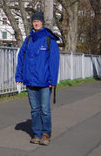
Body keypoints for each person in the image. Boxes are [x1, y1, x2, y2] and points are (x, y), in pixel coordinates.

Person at [15, 12, 60, 146]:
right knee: (34, 109)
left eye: (38, 21)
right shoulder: (28, 40)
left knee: (44, 109)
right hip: (30, 81)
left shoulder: (49, 40)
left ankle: (46, 133)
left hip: (45, 81)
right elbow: (21, 58)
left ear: (42, 23)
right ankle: (37, 133)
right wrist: (19, 76)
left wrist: (53, 80)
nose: (36, 23)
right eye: (34, 21)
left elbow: (54, 61)